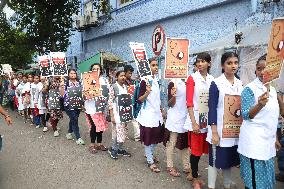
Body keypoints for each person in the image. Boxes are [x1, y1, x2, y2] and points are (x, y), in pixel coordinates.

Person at [238, 55, 284, 189]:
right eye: (259, 69)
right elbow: (245, 115)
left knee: (265, 181)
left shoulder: (273, 90)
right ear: (255, 71)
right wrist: (259, 105)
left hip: (268, 142)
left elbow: (273, 118)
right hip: (254, 142)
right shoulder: (249, 89)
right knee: (254, 182)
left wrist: (275, 138)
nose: (262, 72)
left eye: (266, 68)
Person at [207, 52, 243, 189]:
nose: (233, 66)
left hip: (234, 130)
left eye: (235, 62)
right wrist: (214, 132)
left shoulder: (240, 84)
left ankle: (227, 184)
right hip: (219, 130)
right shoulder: (216, 83)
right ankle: (211, 186)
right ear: (223, 65)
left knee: (229, 158)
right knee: (214, 160)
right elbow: (212, 108)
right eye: (229, 63)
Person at [184, 52, 214, 188]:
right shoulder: (192, 78)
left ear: (209, 63)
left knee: (202, 150)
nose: (200, 64)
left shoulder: (212, 79)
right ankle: (195, 178)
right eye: (198, 61)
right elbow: (189, 102)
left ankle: (192, 172)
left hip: (207, 120)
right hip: (195, 119)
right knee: (195, 151)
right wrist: (194, 123)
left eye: (203, 61)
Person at [136, 58, 164, 173]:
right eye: (153, 65)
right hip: (148, 115)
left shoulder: (156, 79)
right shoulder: (144, 81)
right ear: (148, 67)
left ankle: (149, 154)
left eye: (156, 65)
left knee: (157, 137)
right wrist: (147, 92)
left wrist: (161, 109)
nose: (156, 67)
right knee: (148, 138)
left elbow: (157, 98)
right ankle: (150, 161)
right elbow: (139, 100)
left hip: (157, 114)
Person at [163, 77, 191, 178]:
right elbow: (170, 104)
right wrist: (174, 95)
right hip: (175, 118)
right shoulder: (172, 83)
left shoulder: (189, 80)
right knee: (172, 143)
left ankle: (187, 166)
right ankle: (170, 166)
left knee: (185, 144)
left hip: (185, 117)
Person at [85, 64, 109, 153]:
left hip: (101, 108)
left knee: (100, 127)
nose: (96, 70)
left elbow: (107, 93)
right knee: (94, 126)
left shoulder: (104, 80)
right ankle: (92, 144)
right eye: (94, 69)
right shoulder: (88, 79)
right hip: (91, 108)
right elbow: (84, 95)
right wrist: (90, 93)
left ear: (101, 70)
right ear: (91, 70)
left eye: (97, 69)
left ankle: (99, 144)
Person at [108, 70, 131, 159]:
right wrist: (112, 116)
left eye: (124, 76)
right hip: (116, 113)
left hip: (124, 114)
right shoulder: (113, 87)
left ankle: (120, 148)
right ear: (117, 77)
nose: (123, 77)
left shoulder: (126, 87)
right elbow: (110, 101)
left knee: (124, 131)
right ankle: (113, 149)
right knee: (116, 132)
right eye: (121, 76)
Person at [59, 69, 85, 145]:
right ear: (68, 74)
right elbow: (62, 95)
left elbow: (81, 94)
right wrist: (62, 86)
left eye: (74, 73)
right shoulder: (66, 83)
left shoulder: (79, 83)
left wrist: (82, 103)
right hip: (68, 105)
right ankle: (78, 137)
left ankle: (69, 132)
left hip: (78, 104)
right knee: (74, 118)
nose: (73, 74)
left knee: (73, 118)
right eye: (71, 73)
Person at [124, 64, 140, 141]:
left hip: (131, 102)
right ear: (125, 72)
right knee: (124, 121)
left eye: (131, 73)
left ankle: (137, 136)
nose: (130, 75)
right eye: (129, 73)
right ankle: (124, 134)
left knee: (134, 119)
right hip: (123, 103)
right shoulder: (122, 80)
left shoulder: (132, 82)